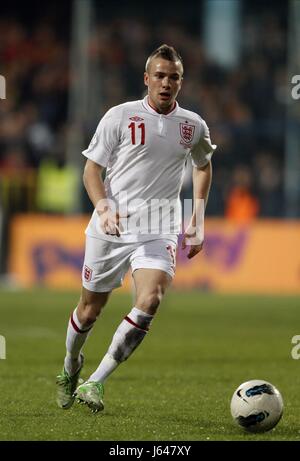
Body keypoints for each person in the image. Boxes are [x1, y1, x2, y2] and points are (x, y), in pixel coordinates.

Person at [56, 44, 216, 413]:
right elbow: (91, 170)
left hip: (159, 226)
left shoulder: (193, 125)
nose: (166, 83)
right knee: (89, 310)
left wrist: (198, 218)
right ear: (146, 79)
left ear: (181, 82)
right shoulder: (119, 116)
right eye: (159, 76)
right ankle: (71, 365)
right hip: (111, 226)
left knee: (151, 300)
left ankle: (95, 381)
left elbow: (203, 164)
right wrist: (103, 208)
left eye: (173, 77)